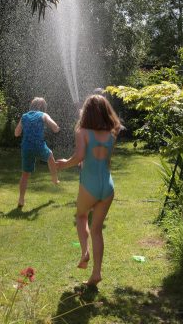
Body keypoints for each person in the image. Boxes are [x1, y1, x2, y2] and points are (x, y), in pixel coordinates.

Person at [56, 95, 121, 286]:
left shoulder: (82, 131)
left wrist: (63, 164)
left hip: (89, 185)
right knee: (97, 230)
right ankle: (96, 274)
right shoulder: (112, 133)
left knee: (82, 216)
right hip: (108, 186)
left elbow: (79, 157)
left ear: (88, 111)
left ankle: (85, 253)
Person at [15, 97, 60, 208]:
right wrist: (57, 129)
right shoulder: (43, 115)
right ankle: (55, 179)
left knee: (25, 174)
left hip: (26, 147)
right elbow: (54, 127)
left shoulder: (24, 116)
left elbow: (16, 133)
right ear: (41, 107)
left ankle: (21, 199)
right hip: (39, 145)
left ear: (32, 105)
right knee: (50, 156)